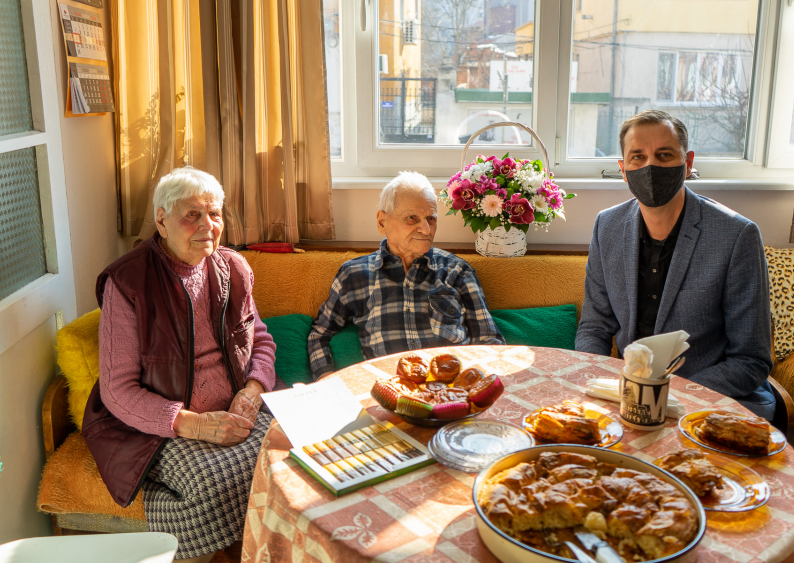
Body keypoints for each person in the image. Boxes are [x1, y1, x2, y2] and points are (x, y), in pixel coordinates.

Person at [82, 167, 282, 563]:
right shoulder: (128, 283)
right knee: (218, 482)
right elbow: (117, 391)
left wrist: (253, 390)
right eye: (191, 214)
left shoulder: (234, 269)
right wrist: (194, 424)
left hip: (235, 408)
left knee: (293, 452)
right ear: (161, 219)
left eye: (215, 214)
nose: (207, 225)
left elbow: (260, 339)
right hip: (158, 426)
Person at [574, 110, 775, 419]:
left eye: (664, 155)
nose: (650, 166)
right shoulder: (607, 226)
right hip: (627, 396)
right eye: (637, 157)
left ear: (688, 162)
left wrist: (668, 395)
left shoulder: (737, 235)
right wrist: (595, 381)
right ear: (623, 170)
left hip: (710, 401)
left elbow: (751, 360)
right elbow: (594, 327)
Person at [308, 171, 503, 381]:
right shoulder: (354, 275)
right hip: (390, 394)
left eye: (431, 219)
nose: (426, 229)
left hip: (451, 394)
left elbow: (489, 340)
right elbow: (320, 334)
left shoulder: (457, 271)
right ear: (382, 222)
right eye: (412, 218)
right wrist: (326, 378)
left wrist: (474, 386)